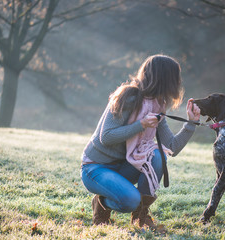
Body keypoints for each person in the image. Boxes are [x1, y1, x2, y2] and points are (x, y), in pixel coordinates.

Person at [80, 54, 200, 229]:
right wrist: (141, 125)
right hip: (96, 168)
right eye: (176, 76)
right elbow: (105, 137)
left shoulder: (158, 105)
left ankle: (141, 217)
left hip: (125, 167)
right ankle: (101, 202)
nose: (179, 81)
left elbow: (172, 147)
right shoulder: (128, 96)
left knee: (158, 156)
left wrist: (191, 123)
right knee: (130, 200)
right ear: (164, 78)